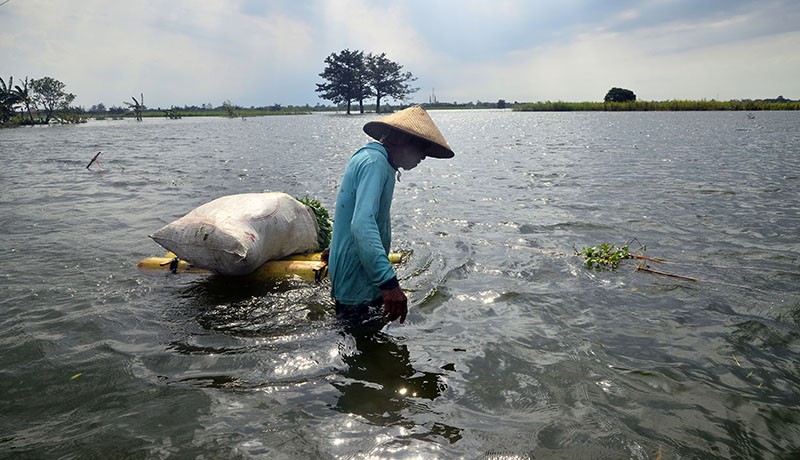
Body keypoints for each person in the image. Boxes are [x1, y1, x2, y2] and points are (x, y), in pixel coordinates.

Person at [327, 105, 455, 324]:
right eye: (422, 146)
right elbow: (362, 225)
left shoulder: (372, 158)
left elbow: (348, 214)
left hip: (356, 271)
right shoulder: (375, 164)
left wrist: (335, 247)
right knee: (362, 342)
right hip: (357, 282)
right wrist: (389, 283)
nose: (423, 156)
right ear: (401, 140)